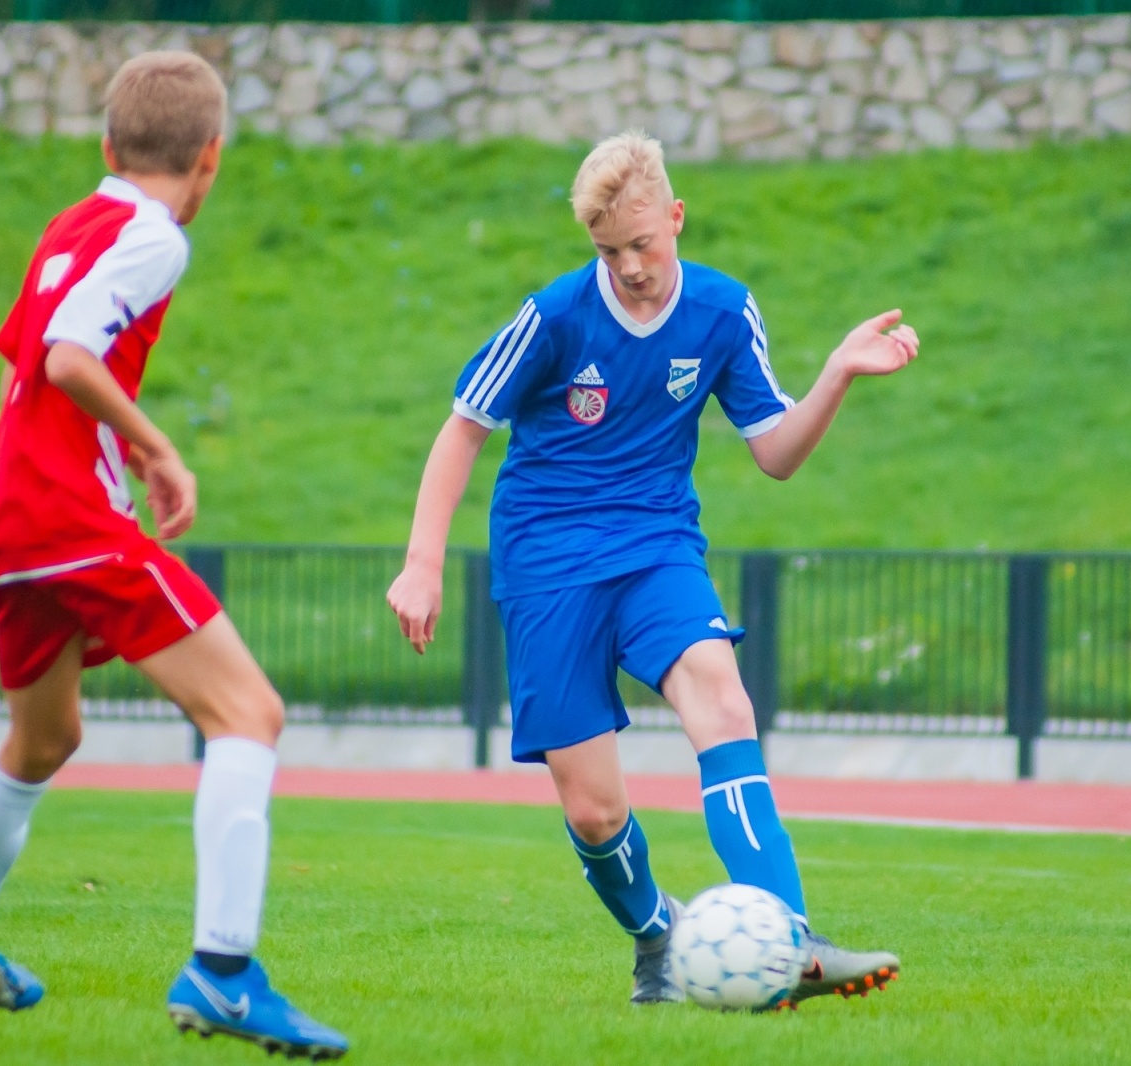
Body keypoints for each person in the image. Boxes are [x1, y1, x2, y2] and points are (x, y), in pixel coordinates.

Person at [0, 53, 347, 1059]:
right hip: (64, 513)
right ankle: (223, 973)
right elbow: (67, 356)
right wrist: (160, 444)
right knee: (248, 713)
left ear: (106, 147)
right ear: (210, 158)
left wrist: (125, 442)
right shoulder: (154, 234)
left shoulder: (73, 221)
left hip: (7, 506)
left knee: (43, 739)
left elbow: (33, 356)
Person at [387, 130, 917, 1007]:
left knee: (721, 692)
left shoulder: (721, 311)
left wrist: (835, 376)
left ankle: (790, 944)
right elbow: (464, 427)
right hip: (547, 560)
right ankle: (658, 941)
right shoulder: (554, 317)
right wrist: (422, 564)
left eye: (643, 243)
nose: (630, 266)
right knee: (594, 812)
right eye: (608, 250)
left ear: (675, 217)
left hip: (655, 546)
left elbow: (775, 454)